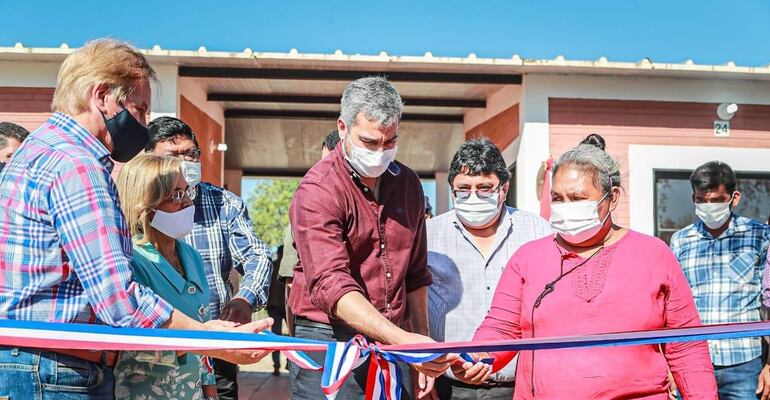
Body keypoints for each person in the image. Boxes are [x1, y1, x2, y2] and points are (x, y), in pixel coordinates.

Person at [0, 39, 271, 400]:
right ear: (102, 96)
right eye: (140, 110)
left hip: (34, 361)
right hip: (57, 371)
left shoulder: (37, 152)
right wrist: (214, 341)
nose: (144, 126)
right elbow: (119, 298)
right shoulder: (76, 166)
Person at [455, 134, 717, 399]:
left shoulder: (655, 255)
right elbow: (502, 328)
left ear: (612, 198)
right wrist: (477, 357)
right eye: (557, 198)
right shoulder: (528, 258)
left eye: (578, 198)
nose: (566, 207)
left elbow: (687, 348)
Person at [288, 77, 455, 399]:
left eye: (390, 142)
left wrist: (419, 343)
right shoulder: (318, 189)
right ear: (342, 128)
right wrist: (400, 338)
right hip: (331, 341)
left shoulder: (407, 183)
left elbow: (416, 274)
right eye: (369, 142)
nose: (380, 152)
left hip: (394, 340)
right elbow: (330, 283)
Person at [145, 115, 273, 400]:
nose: (185, 162)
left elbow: (257, 255)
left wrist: (245, 299)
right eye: (173, 155)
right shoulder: (135, 209)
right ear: (149, 159)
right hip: (156, 349)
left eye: (190, 154)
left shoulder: (223, 203)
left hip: (219, 345)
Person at [427, 138, 552, 400]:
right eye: (464, 189)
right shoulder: (428, 236)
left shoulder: (538, 232)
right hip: (448, 388)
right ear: (452, 190)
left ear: (504, 188)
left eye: (484, 188)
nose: (473, 197)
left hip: (519, 388)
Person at [113, 154, 219, 399]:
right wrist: (207, 340)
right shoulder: (131, 260)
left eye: (188, 192)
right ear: (146, 205)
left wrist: (211, 393)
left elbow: (205, 338)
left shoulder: (191, 256)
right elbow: (133, 346)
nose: (188, 203)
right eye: (176, 195)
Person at [670, 161, 770, 400]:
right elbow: (671, 308)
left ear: (734, 198)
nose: (708, 207)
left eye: (716, 200)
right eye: (701, 200)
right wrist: (669, 366)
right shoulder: (681, 241)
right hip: (693, 362)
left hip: (745, 363)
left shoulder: (760, 236)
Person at [279, 129, 340, 335]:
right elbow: (291, 281)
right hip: (316, 328)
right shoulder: (305, 206)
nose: (324, 171)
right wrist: (293, 344)